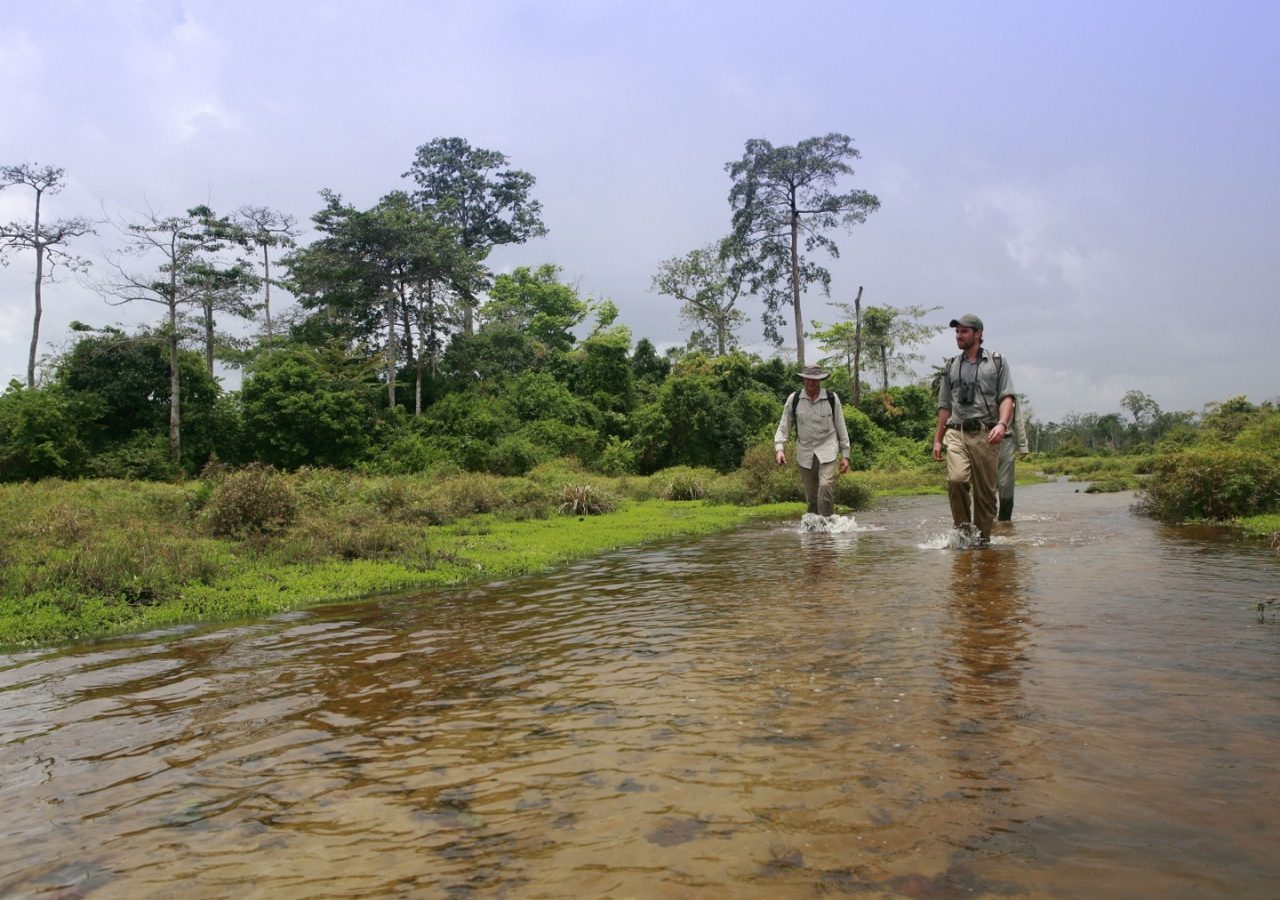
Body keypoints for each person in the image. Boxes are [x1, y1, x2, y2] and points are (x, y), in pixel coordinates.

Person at [932, 314, 1015, 544]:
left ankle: (982, 540)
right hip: (956, 432)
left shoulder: (997, 362)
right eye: (957, 332)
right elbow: (944, 405)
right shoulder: (951, 365)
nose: (959, 336)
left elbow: (1006, 397)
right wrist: (938, 439)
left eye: (964, 331)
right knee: (957, 480)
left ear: (978, 334)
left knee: (985, 494)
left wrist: (1001, 423)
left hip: (986, 434)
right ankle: (962, 535)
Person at [774, 365, 851, 516]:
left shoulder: (831, 398)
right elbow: (784, 426)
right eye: (808, 379)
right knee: (811, 496)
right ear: (803, 379)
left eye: (814, 379)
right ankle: (813, 531)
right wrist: (779, 449)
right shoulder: (794, 399)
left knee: (825, 486)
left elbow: (841, 426)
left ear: (820, 380)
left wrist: (845, 456)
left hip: (827, 449)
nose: (811, 382)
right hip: (805, 451)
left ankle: (827, 525)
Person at [997, 400, 1030, 521]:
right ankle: (987, 523)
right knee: (985, 486)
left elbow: (1018, 420)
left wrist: (1023, 446)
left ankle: (1005, 522)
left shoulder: (1011, 396)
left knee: (1005, 484)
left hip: (1006, 441)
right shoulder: (981, 386)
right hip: (983, 441)